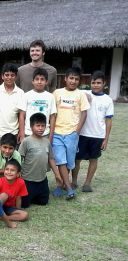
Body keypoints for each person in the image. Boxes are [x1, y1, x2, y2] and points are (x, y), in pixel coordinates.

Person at [72, 71, 114, 192]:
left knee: (93, 159)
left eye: (98, 83)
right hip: (82, 134)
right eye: (93, 82)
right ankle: (74, 181)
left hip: (98, 135)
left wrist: (106, 138)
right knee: (77, 159)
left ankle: (87, 183)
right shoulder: (83, 93)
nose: (95, 85)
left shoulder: (108, 100)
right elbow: (72, 92)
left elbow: (108, 120)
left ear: (104, 83)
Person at [52, 67, 90, 199]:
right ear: (65, 79)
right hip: (57, 132)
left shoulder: (81, 95)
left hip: (71, 134)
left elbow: (84, 113)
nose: (73, 81)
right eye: (71, 78)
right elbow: (53, 112)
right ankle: (67, 188)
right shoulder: (57, 93)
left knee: (68, 162)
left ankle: (62, 184)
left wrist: (76, 132)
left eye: (76, 79)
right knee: (60, 161)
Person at [18, 113, 62, 208]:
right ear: (31, 126)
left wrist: (57, 175)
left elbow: (51, 158)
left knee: (43, 202)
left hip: (42, 179)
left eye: (43, 126)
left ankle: (36, 194)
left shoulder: (47, 142)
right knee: (25, 204)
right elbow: (19, 158)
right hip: (27, 180)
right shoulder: (26, 141)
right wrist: (18, 174)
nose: (40, 128)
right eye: (38, 125)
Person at [0, 63, 24, 154]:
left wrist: (21, 132)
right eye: (6, 75)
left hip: (13, 133)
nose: (9, 77)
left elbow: (21, 114)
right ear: (2, 76)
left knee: (10, 162)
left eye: (12, 75)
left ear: (15, 76)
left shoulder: (20, 93)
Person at [17, 68, 57, 142]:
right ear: (33, 81)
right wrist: (22, 134)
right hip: (28, 133)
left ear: (46, 82)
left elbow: (52, 117)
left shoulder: (50, 97)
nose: (39, 82)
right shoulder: (26, 95)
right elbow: (22, 116)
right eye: (37, 79)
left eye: (42, 79)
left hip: (45, 134)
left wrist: (51, 137)